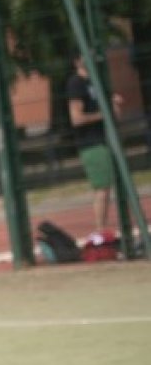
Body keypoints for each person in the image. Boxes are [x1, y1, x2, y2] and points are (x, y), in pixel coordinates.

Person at [65, 53, 123, 232]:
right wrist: (103, 114)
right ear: (76, 61)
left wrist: (115, 106)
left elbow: (115, 116)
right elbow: (76, 118)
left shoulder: (97, 82)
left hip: (105, 139)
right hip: (91, 142)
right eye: (83, 56)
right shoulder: (76, 83)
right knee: (102, 187)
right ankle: (100, 229)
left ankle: (111, 227)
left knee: (111, 186)